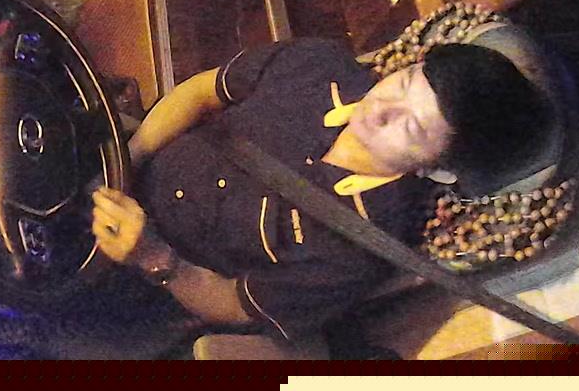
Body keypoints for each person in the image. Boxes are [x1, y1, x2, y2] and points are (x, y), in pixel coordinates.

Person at [90, 37, 547, 341]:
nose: (382, 107)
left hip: (135, 281)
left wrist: (154, 259)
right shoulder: (316, 64)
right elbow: (201, 92)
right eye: (406, 81)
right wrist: (128, 160)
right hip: (125, 160)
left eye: (411, 127)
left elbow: (235, 304)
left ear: (439, 171)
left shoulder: (359, 248)